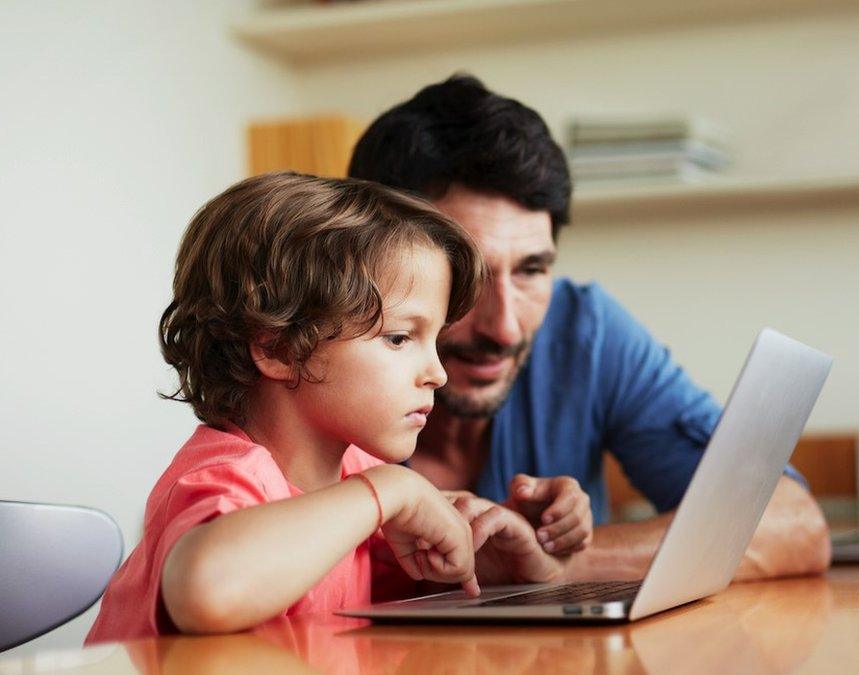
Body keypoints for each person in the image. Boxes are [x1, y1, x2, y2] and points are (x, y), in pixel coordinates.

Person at [348, 75, 831, 581]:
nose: (507, 328)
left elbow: (793, 524)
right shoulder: (316, 361)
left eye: (532, 270)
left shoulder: (585, 333)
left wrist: (547, 563)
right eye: (466, 275)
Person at [86, 173, 592, 643]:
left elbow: (408, 582)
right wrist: (389, 491)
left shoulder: (354, 476)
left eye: (434, 340)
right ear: (280, 349)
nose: (437, 373)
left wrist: (486, 555)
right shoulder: (229, 476)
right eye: (399, 338)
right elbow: (207, 591)